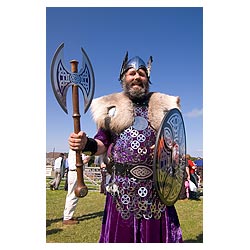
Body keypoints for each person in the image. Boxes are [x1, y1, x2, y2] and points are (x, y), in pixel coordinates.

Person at [68, 53, 183, 242]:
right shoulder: (111, 108)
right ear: (123, 78)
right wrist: (85, 143)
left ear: (148, 79)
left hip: (156, 190)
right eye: (131, 73)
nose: (137, 76)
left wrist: (169, 150)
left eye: (142, 73)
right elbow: (101, 144)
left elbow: (175, 146)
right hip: (122, 190)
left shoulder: (164, 108)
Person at [62, 149, 90, 225]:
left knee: (71, 195)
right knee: (73, 195)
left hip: (74, 172)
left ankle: (67, 215)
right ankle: (67, 217)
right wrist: (86, 160)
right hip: (75, 172)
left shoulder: (74, 149)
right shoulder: (76, 149)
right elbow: (78, 163)